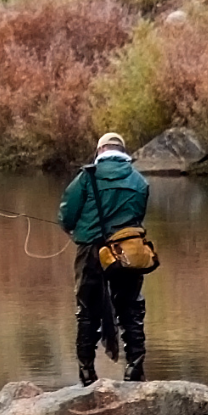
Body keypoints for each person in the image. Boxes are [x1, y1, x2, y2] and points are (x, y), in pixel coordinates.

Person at [58, 131, 151, 385]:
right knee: (130, 307)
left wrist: (74, 230)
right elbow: (138, 214)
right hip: (128, 250)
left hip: (91, 251)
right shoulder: (139, 181)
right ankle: (134, 367)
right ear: (122, 152)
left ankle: (87, 372)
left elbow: (66, 213)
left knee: (87, 308)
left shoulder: (87, 178)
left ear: (100, 151)